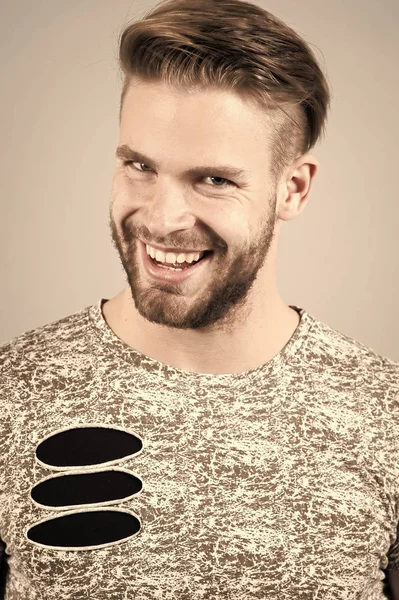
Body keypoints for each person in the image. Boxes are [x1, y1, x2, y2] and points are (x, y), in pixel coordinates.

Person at [1, 0, 399, 597]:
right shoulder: (12, 391)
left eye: (213, 179)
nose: (162, 219)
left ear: (292, 189)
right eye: (140, 165)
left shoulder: (384, 415)